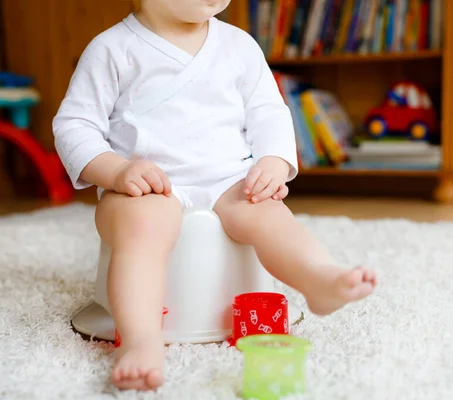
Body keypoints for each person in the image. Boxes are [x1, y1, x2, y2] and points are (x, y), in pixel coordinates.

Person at [53, 0, 377, 392]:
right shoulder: (112, 49)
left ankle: (318, 278)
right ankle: (140, 339)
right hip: (146, 186)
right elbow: (75, 125)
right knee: (143, 228)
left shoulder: (239, 46)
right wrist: (116, 171)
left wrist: (273, 161)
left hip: (228, 178)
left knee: (267, 213)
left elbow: (268, 112)